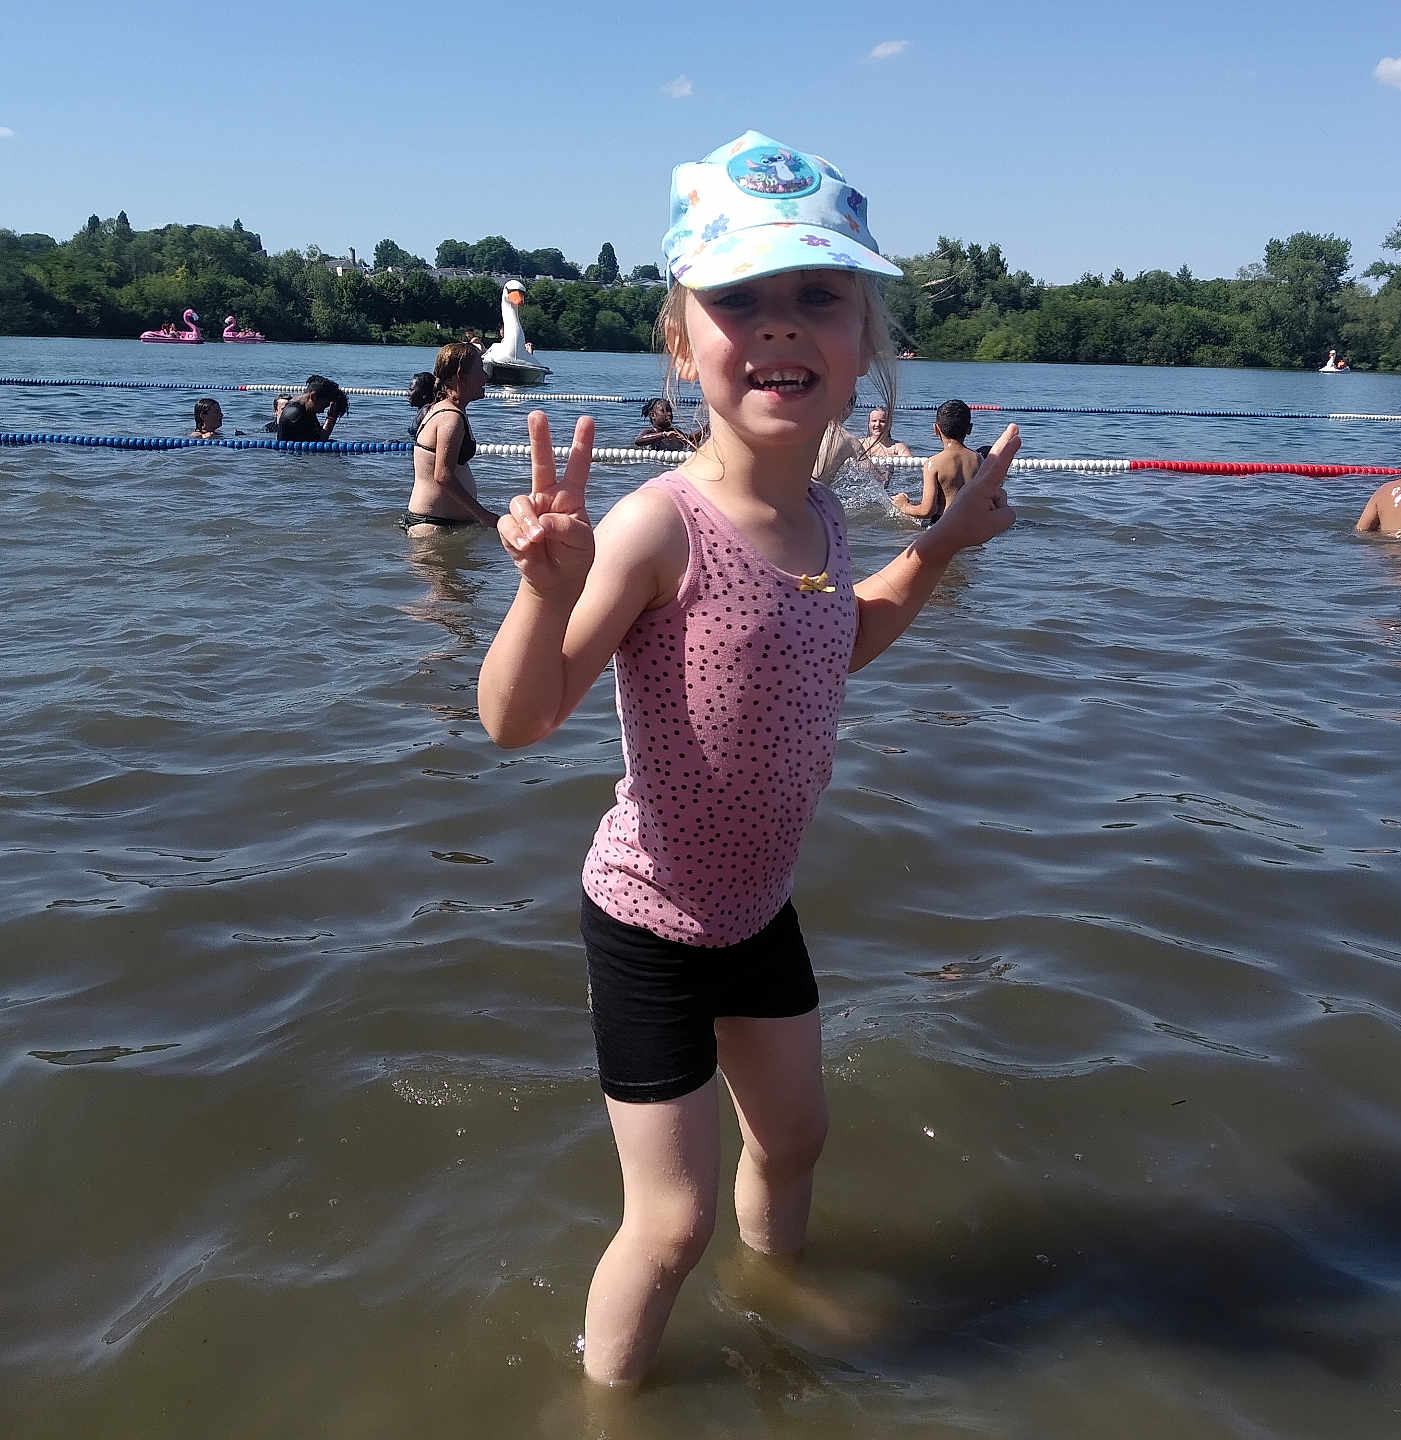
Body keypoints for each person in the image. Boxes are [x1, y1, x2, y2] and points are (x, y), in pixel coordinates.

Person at [476, 129, 1017, 1387]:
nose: (780, 328)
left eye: (816, 297)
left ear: (863, 340)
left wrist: (940, 549)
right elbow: (520, 719)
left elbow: (835, 642)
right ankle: (609, 1406)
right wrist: (541, 597)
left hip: (757, 910)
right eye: (739, 301)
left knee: (797, 1139)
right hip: (652, 920)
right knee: (669, 1222)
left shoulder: (824, 508)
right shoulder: (658, 525)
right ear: (683, 342)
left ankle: (779, 1301)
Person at [404, 341, 501, 534]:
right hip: (433, 526)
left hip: (435, 523)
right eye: (479, 370)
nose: (485, 376)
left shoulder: (441, 408)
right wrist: (484, 516)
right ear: (461, 376)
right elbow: (443, 476)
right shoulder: (450, 418)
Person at [892, 399, 982, 525]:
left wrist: (903, 506)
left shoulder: (933, 463)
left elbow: (926, 511)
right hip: (972, 524)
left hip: (944, 525)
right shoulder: (978, 460)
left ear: (936, 429)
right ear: (969, 429)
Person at [275, 376, 348, 443]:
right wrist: (331, 418)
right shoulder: (295, 413)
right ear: (313, 396)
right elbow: (319, 443)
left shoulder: (305, 409)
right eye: (323, 405)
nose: (322, 411)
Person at [631, 396, 701, 451]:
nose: (669, 414)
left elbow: (691, 440)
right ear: (653, 415)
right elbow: (638, 441)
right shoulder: (650, 432)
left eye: (670, 411)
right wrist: (664, 435)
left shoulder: (675, 432)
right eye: (664, 411)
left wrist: (708, 427)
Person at [407, 372, 435, 440]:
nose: (408, 393)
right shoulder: (422, 409)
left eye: (411, 390)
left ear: (424, 394)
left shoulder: (425, 412)